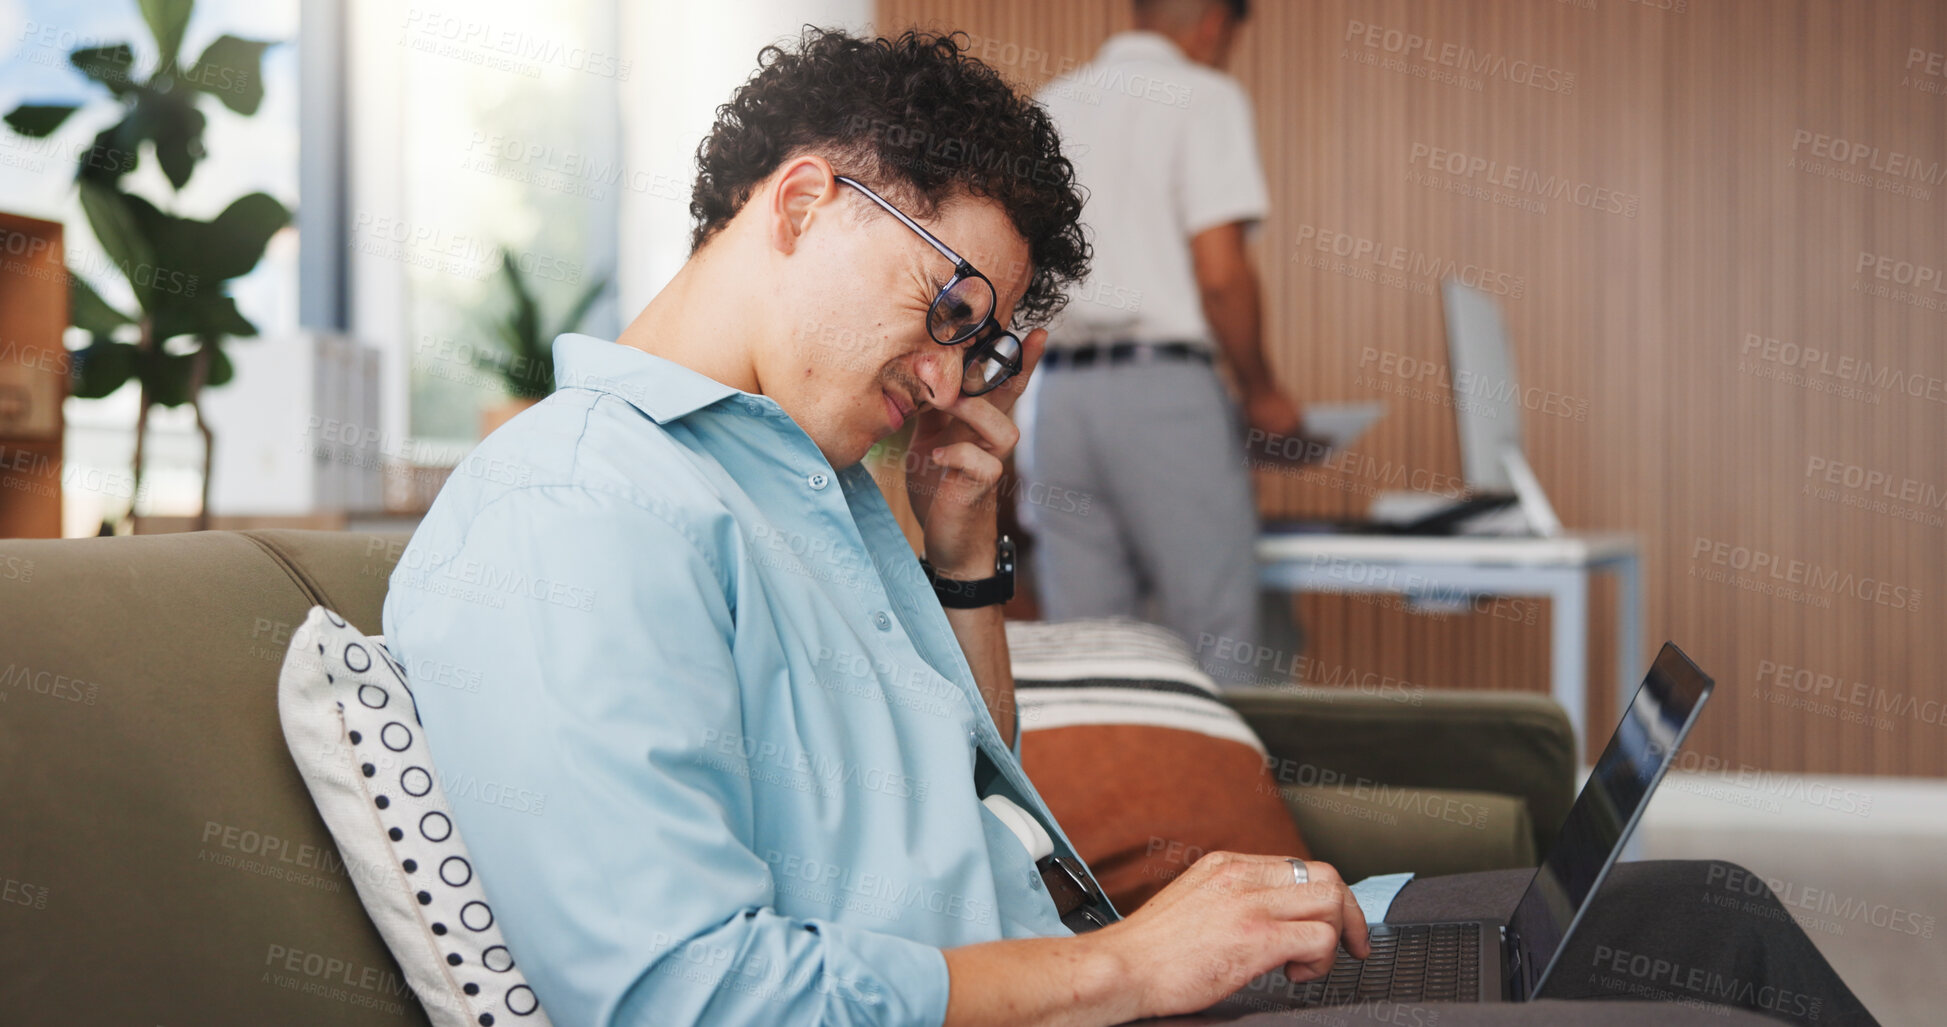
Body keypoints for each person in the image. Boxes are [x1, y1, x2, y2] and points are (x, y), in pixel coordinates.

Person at [384, 27, 1875, 1027]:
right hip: (1086, 990)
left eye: (977, 343)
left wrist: (962, 550)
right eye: (949, 311)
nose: (945, 373)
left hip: (1097, 968)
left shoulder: (816, 478)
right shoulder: (577, 511)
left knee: (1714, 914)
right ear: (800, 203)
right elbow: (678, 995)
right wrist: (1122, 961)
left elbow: (961, 795)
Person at [1019, 0, 1305, 682]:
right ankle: (1222, 792)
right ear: (1213, 22)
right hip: (1163, 393)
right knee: (1219, 645)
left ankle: (1092, 792)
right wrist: (1262, 392)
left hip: (1056, 400)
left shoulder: (1047, 107)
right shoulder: (1204, 97)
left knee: (1087, 657)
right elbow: (1220, 275)